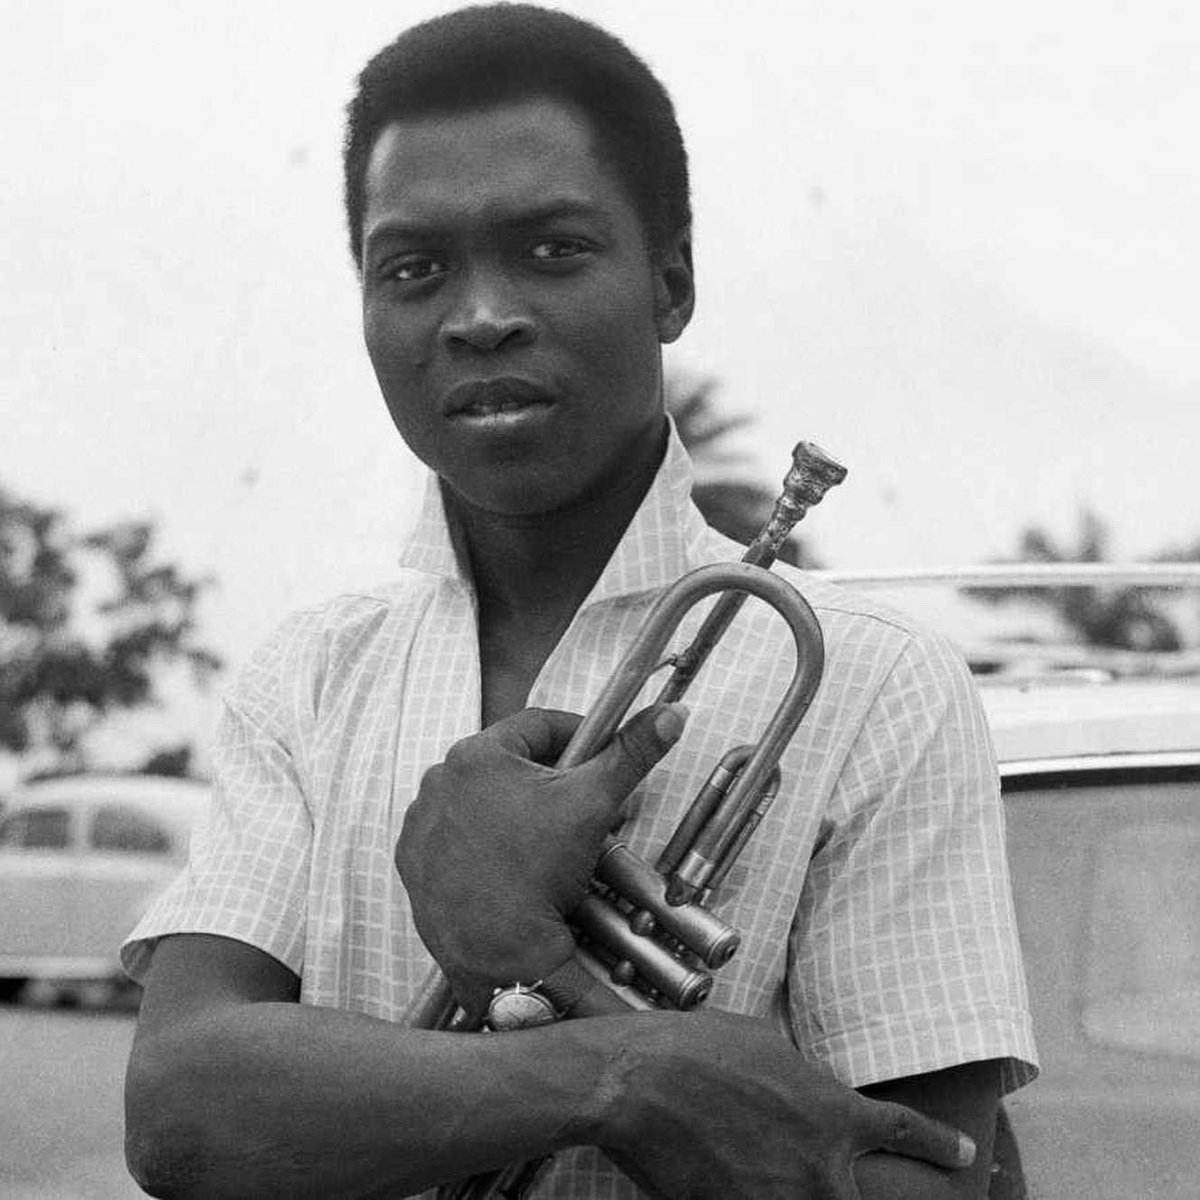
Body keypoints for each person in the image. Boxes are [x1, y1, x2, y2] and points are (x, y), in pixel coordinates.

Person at [121, 6, 1037, 1197]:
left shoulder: (872, 683)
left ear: (670, 283)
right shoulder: (308, 673)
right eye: (413, 269)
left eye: (552, 250)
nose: (478, 313)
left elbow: (930, 1181)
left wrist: (526, 970)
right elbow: (183, 1106)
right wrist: (623, 1074)